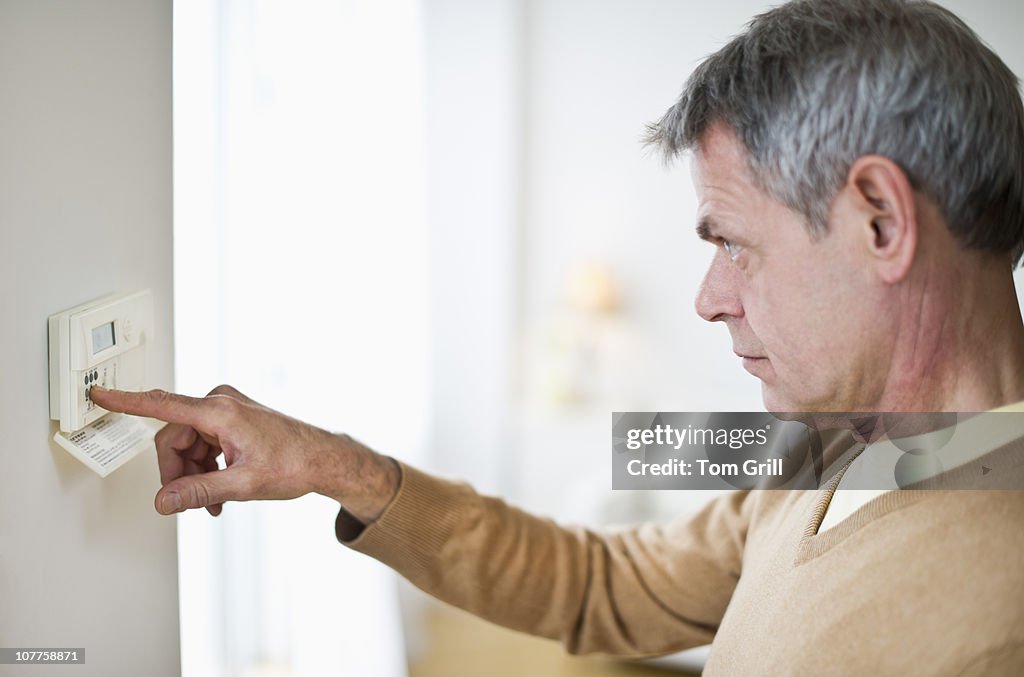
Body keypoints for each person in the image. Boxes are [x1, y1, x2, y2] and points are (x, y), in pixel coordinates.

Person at [92, 0, 1024, 673]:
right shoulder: (836, 446)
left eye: (736, 245)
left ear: (880, 222)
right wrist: (341, 467)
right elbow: (600, 582)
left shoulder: (993, 621)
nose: (708, 299)